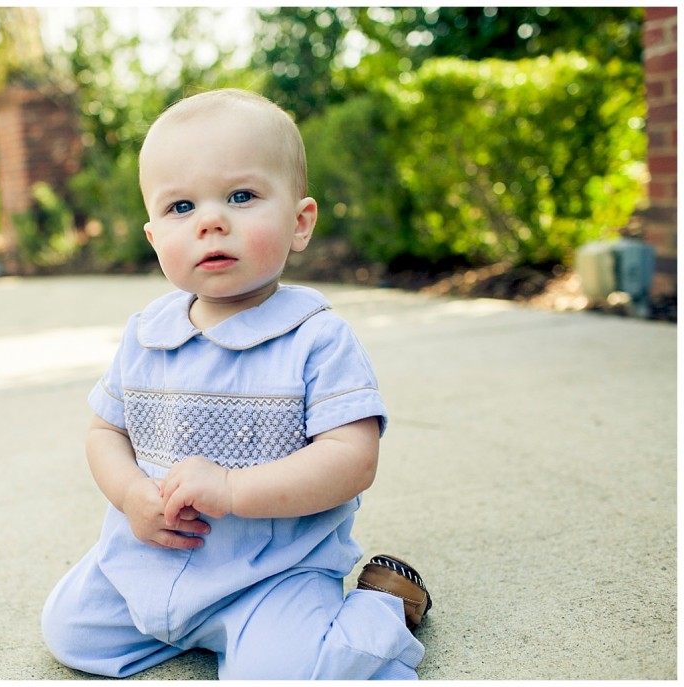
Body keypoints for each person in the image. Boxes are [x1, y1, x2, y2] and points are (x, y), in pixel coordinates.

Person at [41, 88, 432, 680]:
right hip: (153, 557)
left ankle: (382, 611)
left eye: (241, 196)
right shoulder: (146, 335)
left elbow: (352, 459)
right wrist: (129, 497)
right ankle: (199, 627)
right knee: (70, 631)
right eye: (180, 208)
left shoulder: (315, 338)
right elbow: (105, 432)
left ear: (299, 223)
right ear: (154, 240)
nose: (211, 221)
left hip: (271, 573)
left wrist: (230, 489)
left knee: (285, 674)